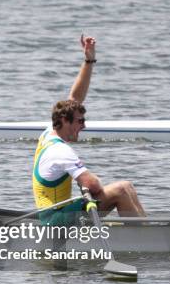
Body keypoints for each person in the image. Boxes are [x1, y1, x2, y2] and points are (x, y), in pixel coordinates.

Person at [32, 35, 145, 225]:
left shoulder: (49, 132)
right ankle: (146, 239)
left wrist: (89, 60)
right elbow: (93, 185)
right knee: (119, 190)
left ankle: (146, 228)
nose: (84, 126)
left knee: (126, 185)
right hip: (56, 221)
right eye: (80, 121)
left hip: (61, 212)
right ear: (64, 121)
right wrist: (89, 182)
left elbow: (74, 99)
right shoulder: (61, 151)